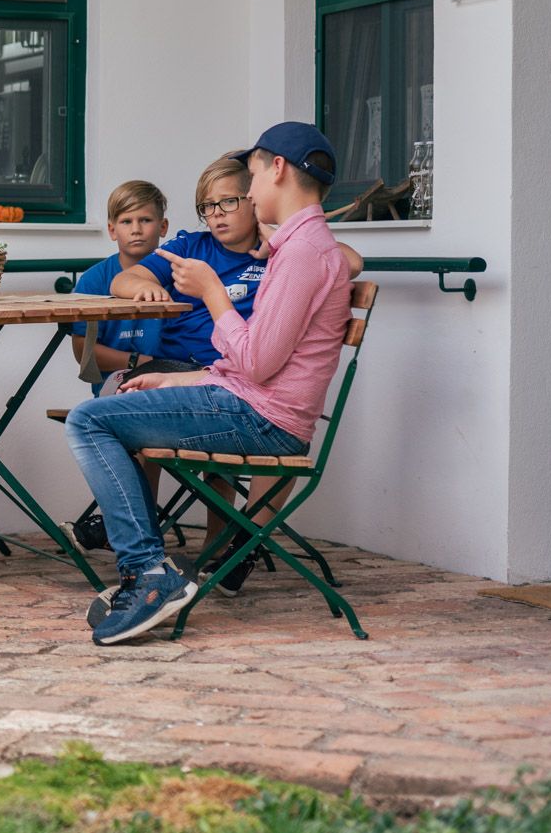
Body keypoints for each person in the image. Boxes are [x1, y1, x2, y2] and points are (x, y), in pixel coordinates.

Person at [64, 122, 355, 646]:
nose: (249, 189)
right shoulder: (297, 248)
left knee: (89, 421)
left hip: (263, 419)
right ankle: (148, 571)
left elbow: (260, 364)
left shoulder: (305, 253)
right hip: (246, 400)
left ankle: (148, 572)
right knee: (116, 405)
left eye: (252, 176)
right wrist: (185, 377)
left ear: (278, 170)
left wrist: (212, 291)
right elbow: (253, 363)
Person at [68, 180, 169, 392]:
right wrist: (141, 362)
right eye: (126, 222)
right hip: (115, 389)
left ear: (163, 227)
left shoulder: (180, 274)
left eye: (145, 220)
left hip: (171, 385)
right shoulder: (93, 280)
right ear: (112, 230)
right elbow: (83, 351)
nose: (136, 230)